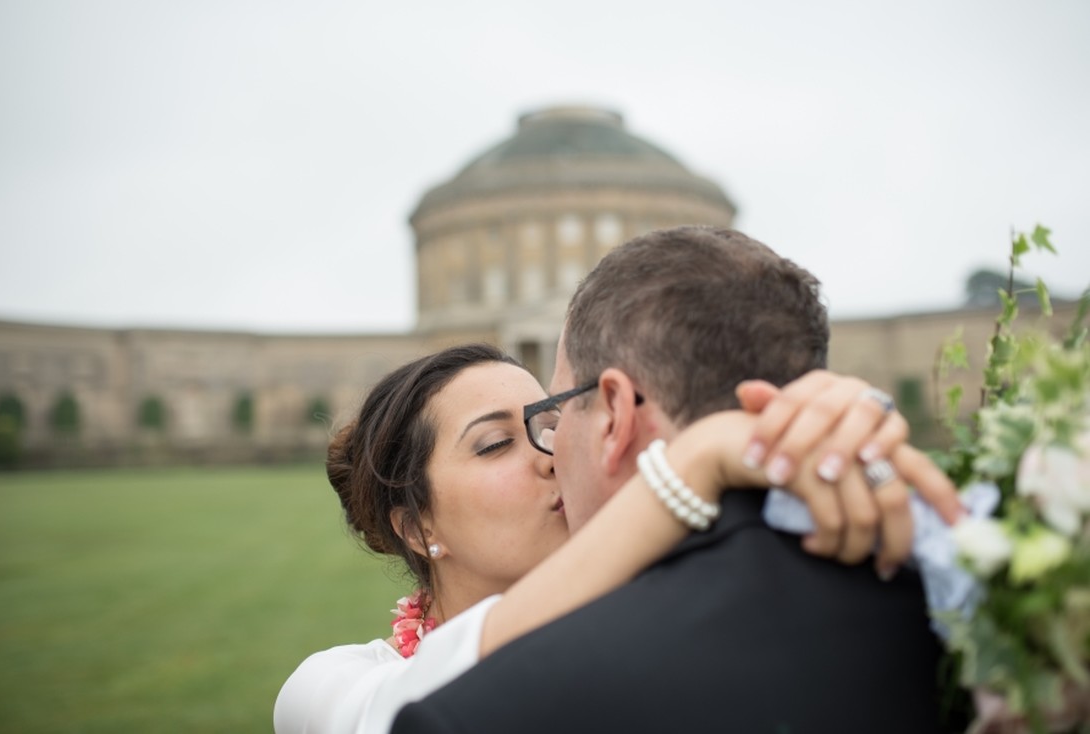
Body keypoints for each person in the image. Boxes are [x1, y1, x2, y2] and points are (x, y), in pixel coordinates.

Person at [391, 227, 958, 734]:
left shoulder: (490, 708)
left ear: (615, 413)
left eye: (559, 410)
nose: (551, 452)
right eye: (495, 444)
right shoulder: (966, 592)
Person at [275, 339, 952, 734]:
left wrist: (816, 433)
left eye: (548, 422)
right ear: (417, 526)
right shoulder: (331, 685)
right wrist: (691, 464)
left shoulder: (665, 624)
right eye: (494, 444)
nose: (549, 453)